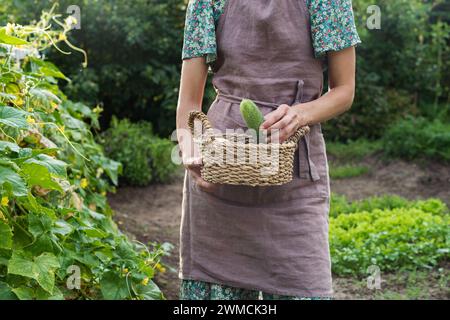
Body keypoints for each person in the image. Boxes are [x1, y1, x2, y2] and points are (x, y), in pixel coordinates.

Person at [176, 0, 361, 300]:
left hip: (295, 180)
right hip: (221, 177)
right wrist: (190, 150)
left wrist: (301, 114)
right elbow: (189, 102)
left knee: (305, 287)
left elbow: (344, 90)